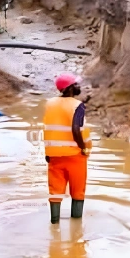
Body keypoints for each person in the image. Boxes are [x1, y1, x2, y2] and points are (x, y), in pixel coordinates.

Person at [43, 73, 92, 225]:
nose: (78, 86)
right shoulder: (77, 105)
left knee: (55, 191)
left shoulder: (49, 103)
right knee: (78, 191)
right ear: (69, 88)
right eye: (76, 84)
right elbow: (76, 129)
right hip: (75, 155)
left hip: (54, 155)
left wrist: (47, 152)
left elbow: (48, 128)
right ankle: (76, 227)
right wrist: (83, 148)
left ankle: (54, 223)